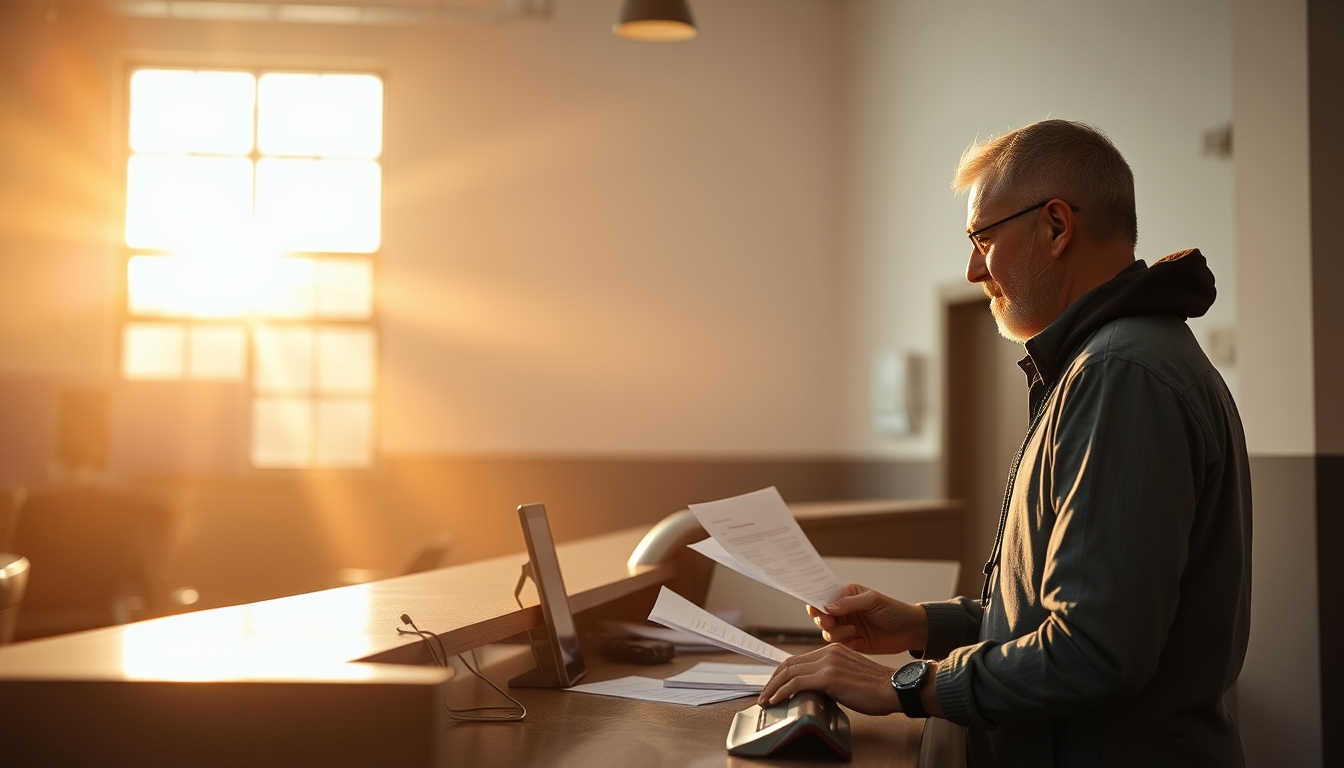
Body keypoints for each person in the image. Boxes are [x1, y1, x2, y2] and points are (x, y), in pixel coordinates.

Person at [760, 119, 1252, 767]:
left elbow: (1093, 649)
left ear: (1054, 226)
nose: (971, 269)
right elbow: (1055, 615)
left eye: (981, 237)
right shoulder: (1103, 364)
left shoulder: (1119, 375)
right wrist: (923, 626)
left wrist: (903, 685)